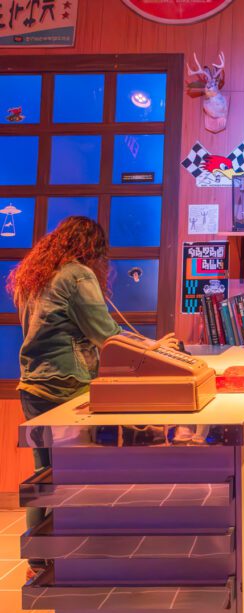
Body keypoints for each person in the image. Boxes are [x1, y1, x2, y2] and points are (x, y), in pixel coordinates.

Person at [7, 216, 121, 579]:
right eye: (102, 254)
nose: (103, 263)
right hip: (68, 385)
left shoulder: (36, 275)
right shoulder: (77, 275)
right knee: (77, 474)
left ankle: (38, 561)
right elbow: (106, 334)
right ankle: (78, 556)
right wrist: (154, 350)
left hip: (32, 385)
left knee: (44, 473)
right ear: (92, 249)